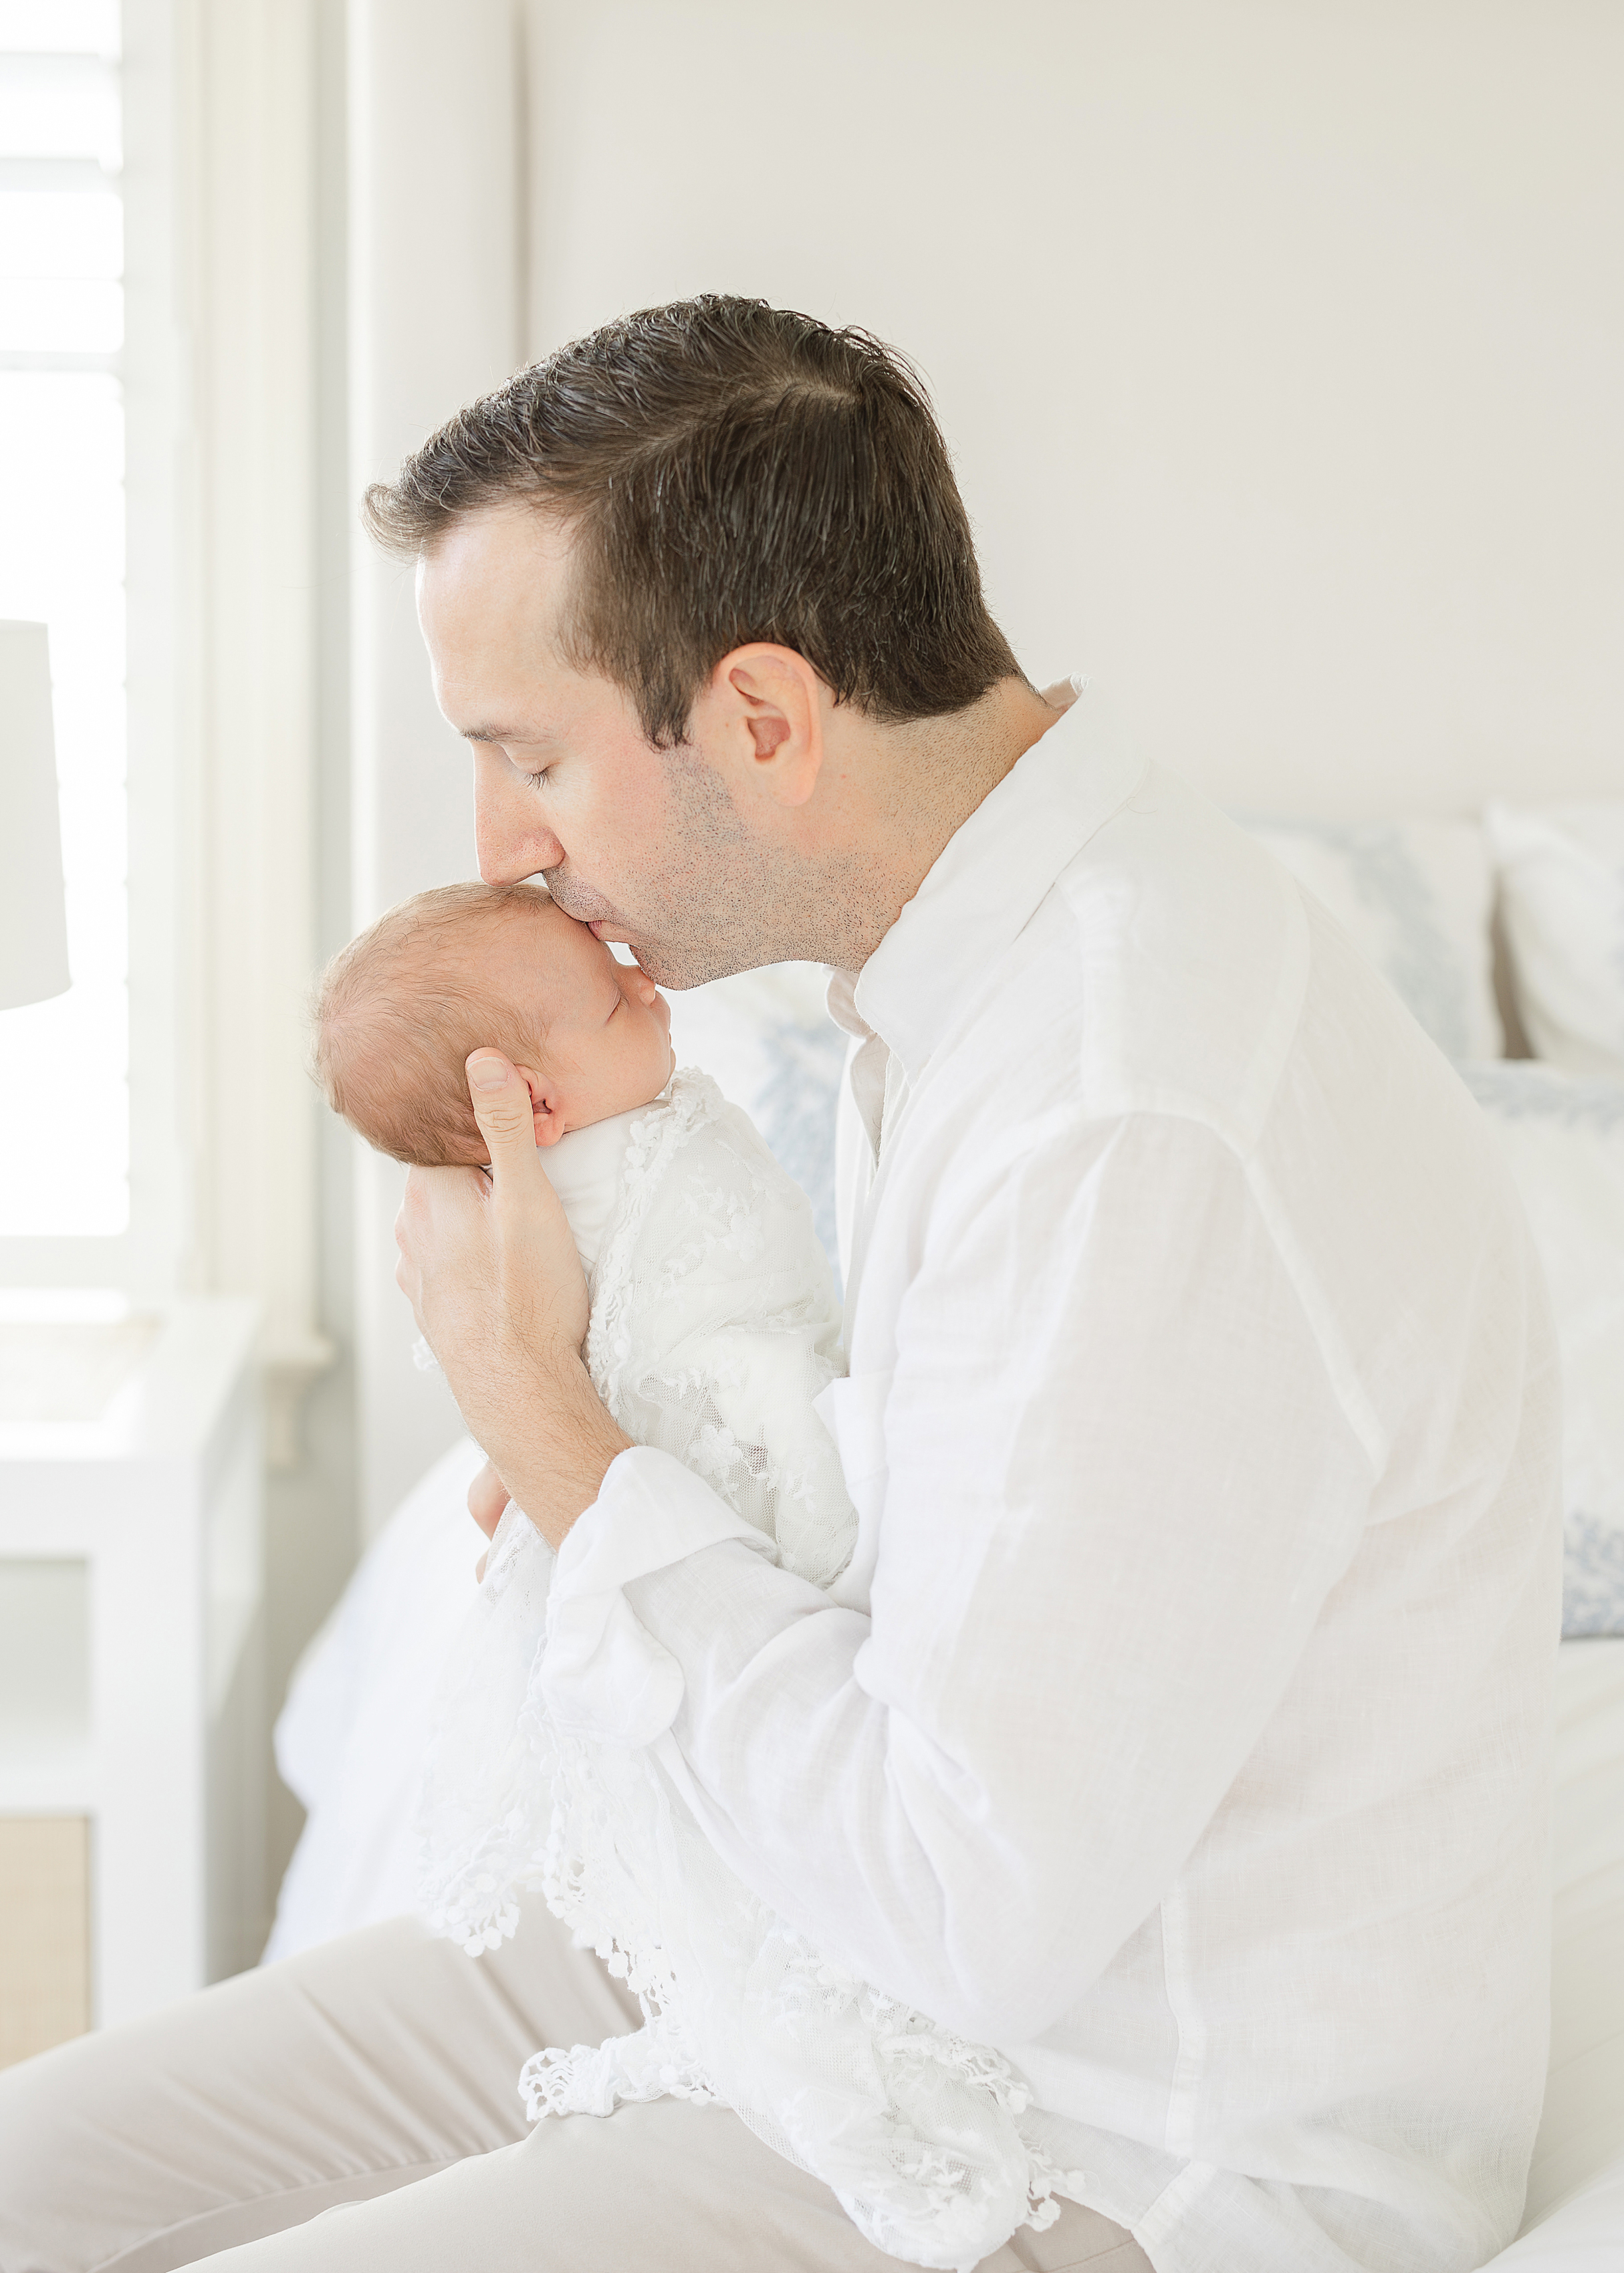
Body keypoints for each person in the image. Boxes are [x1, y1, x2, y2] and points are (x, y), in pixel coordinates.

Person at [0, 296, 1559, 2273]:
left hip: (1103, 2148)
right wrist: (634, 1470)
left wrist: (560, 1444)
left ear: (756, 717)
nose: (499, 849)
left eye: (527, 757)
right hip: (812, 1965)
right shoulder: (965, 964)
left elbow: (959, 1899)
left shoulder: (1124, 1106)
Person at [313, 876, 1093, 2268]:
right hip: (729, 1449)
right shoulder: (584, 1187)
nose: (652, 986)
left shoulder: (650, 1122)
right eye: (614, 999)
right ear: (532, 1108)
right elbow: (640, 1342)